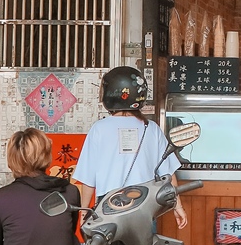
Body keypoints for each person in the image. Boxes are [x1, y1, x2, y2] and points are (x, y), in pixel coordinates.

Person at [72, 66, 188, 229]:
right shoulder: (151, 128)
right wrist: (178, 206)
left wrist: (84, 214)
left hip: (107, 211)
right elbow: (168, 174)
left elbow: (88, 179)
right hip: (143, 210)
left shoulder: (99, 129)